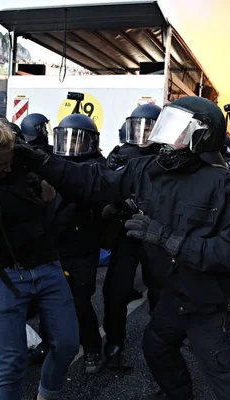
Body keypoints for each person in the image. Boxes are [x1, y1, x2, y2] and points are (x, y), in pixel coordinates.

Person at [16, 96, 230, 400]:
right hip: (172, 296)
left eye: (176, 129)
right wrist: (37, 160)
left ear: (200, 135)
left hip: (209, 304)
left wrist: (167, 239)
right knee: (157, 348)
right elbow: (91, 181)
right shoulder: (150, 169)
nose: (163, 137)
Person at [0, 118, 79, 400]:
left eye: (9, 160)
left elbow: (56, 187)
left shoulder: (25, 163)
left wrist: (42, 181)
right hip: (0, 274)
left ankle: (45, 395)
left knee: (67, 344)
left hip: (45, 264)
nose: (7, 167)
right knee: (11, 362)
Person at [102, 104, 163, 370]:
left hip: (155, 234)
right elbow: (104, 186)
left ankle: (163, 342)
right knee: (115, 291)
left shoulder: (168, 156)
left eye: (149, 127)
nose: (143, 133)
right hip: (126, 233)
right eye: (139, 127)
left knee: (160, 291)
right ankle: (114, 344)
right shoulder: (120, 153)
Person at [51, 113, 106, 373]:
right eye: (67, 139)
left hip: (84, 247)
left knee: (80, 301)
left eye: (78, 140)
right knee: (51, 301)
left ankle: (92, 347)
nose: (71, 145)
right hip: (55, 246)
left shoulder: (97, 168)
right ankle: (49, 344)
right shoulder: (52, 164)